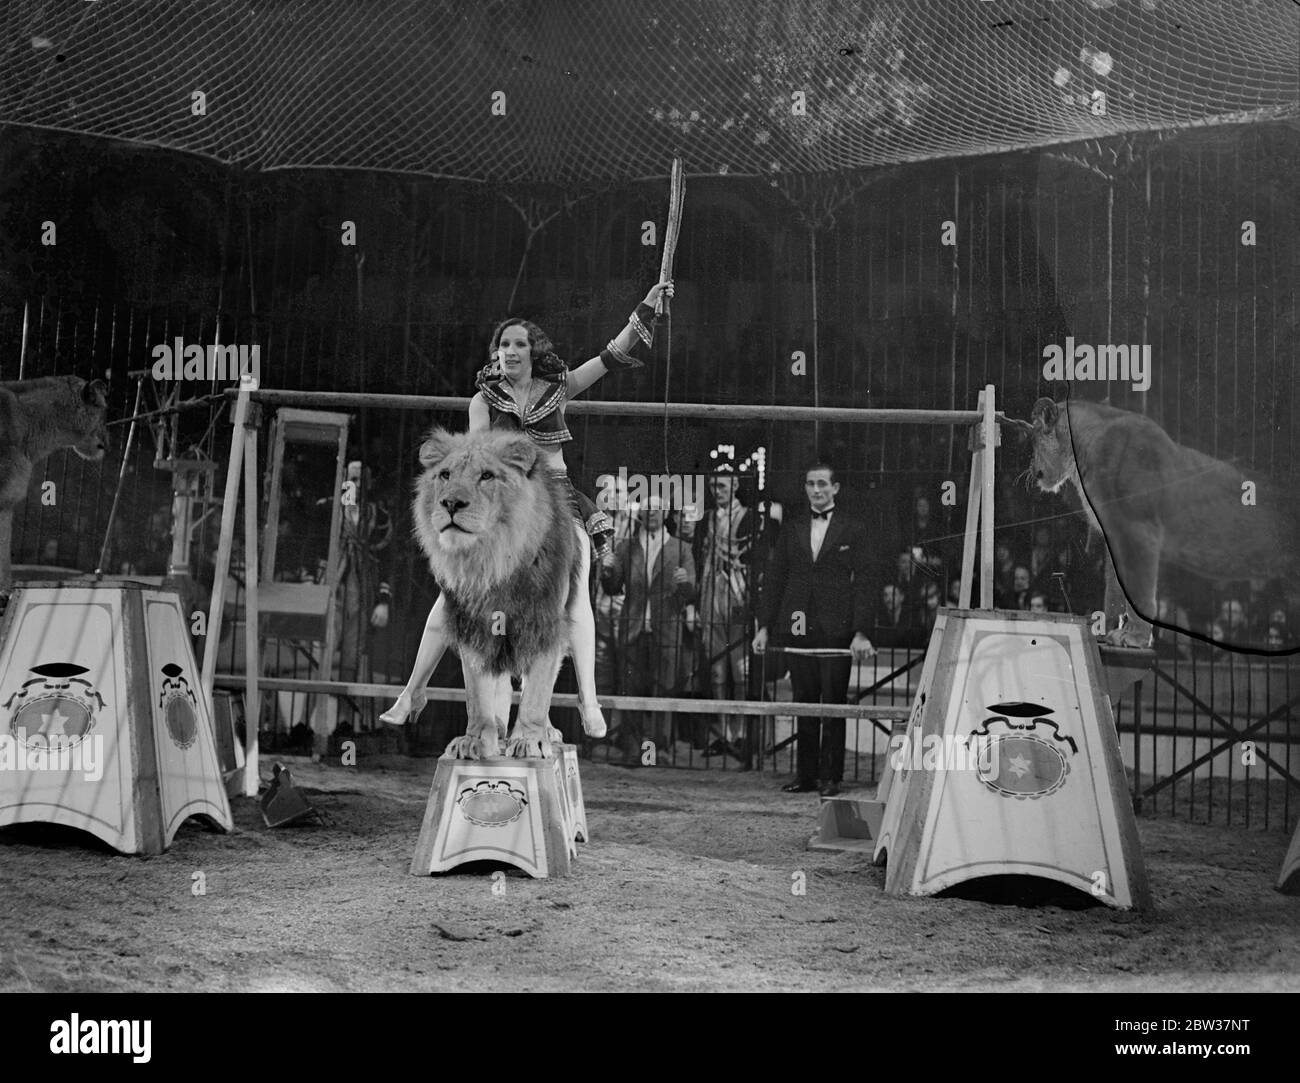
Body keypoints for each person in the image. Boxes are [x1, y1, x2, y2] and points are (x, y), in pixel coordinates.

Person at [381, 280, 675, 735]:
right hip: (507, 510)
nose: (511, 351)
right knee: (453, 596)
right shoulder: (483, 401)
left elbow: (611, 356)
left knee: (573, 596)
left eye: (520, 343)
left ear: (533, 351)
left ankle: (588, 701)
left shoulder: (559, 388)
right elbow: (477, 455)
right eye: (504, 344)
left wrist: (646, 308)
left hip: (556, 504)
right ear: (496, 352)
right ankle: (412, 691)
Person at [753, 462, 875, 797]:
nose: (816, 490)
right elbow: (775, 579)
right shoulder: (791, 529)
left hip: (836, 630)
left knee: (833, 705)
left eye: (822, 484)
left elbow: (866, 583)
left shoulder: (854, 529)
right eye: (810, 484)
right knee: (804, 703)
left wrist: (861, 632)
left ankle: (830, 777)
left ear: (835, 488)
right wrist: (764, 626)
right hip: (798, 628)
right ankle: (806, 776)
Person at [599, 495, 696, 762]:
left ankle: (656, 750)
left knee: (663, 690)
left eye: (657, 510)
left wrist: (685, 583)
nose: (651, 513)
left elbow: (691, 593)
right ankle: (633, 749)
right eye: (647, 509)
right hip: (633, 628)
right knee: (631, 689)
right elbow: (613, 588)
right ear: (640, 514)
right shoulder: (627, 547)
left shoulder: (681, 548)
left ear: (665, 514)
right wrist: (608, 572)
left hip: (666, 631)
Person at [692, 466, 757, 760]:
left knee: (740, 670)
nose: (717, 491)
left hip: (739, 598)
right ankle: (723, 733)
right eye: (713, 485)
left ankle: (741, 732)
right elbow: (698, 557)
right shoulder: (705, 519)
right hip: (710, 597)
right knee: (717, 671)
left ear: (734, 487)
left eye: (722, 486)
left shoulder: (750, 517)